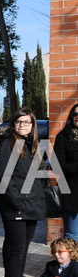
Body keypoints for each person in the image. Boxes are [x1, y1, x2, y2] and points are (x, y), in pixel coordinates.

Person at [0, 107, 46, 277]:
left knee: (21, 249)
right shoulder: (8, 143)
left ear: (32, 126)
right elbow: (4, 178)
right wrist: (18, 202)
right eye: (18, 122)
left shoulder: (32, 145)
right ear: (13, 124)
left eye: (26, 122)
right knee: (17, 251)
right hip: (16, 206)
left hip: (32, 205)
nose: (22, 125)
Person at [54, 102, 78, 241]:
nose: (77, 117)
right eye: (75, 114)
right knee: (73, 236)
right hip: (72, 194)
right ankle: (73, 263)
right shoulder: (63, 137)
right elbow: (57, 165)